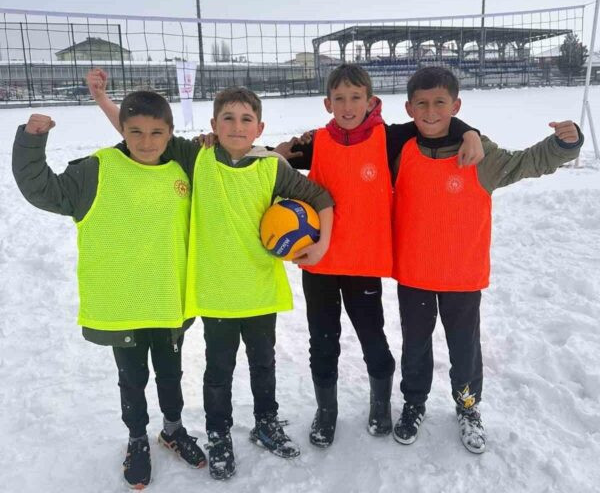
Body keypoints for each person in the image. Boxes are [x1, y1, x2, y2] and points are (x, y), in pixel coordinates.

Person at [87, 69, 335, 480]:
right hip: (216, 293)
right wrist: (102, 100)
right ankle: (219, 434)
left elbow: (319, 197)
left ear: (260, 127)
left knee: (263, 365)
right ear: (213, 126)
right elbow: (144, 134)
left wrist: (321, 244)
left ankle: (265, 423)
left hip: (260, 291)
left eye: (245, 119)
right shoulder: (196, 157)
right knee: (218, 371)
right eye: (228, 119)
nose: (236, 127)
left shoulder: (271, 167)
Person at [261, 63, 484, 447]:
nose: (348, 106)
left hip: (364, 265)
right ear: (328, 103)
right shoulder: (316, 142)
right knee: (322, 340)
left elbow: (433, 121)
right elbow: (263, 156)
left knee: (372, 339)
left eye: (356, 98)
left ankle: (380, 404)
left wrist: (472, 132)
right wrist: (262, 149)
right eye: (340, 99)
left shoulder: (389, 138)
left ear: (371, 101)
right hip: (319, 262)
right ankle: (326, 411)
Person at [12, 92, 206, 490]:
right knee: (132, 378)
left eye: (157, 132)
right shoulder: (98, 170)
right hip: (124, 304)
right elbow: (43, 190)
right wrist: (32, 140)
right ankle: (137, 439)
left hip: (170, 300)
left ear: (171, 133)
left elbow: (235, 169)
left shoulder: (185, 166)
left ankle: (172, 429)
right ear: (121, 129)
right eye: (135, 131)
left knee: (171, 373)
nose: (147, 141)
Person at [391, 66, 583, 454]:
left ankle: (467, 407)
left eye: (440, 103)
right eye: (422, 104)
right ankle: (414, 403)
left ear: (456, 105)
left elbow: (527, 162)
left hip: (462, 276)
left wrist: (563, 146)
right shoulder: (400, 151)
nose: (431, 112)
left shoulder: (479, 156)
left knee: (465, 347)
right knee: (415, 344)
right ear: (409, 108)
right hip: (413, 273)